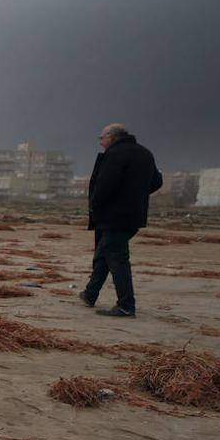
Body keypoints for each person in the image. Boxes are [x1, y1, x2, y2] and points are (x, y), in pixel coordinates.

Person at [81, 123, 162, 317]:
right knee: (104, 253)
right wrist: (137, 195)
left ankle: (126, 305)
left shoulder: (116, 154)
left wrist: (95, 204)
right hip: (134, 216)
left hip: (113, 216)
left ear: (112, 137)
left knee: (116, 257)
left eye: (101, 138)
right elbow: (157, 181)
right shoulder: (144, 153)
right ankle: (90, 294)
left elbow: (105, 184)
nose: (100, 142)